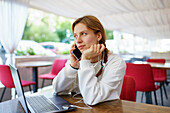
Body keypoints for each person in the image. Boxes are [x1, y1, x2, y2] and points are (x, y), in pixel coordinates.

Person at [52, 15, 126, 105]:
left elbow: (92, 98)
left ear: (98, 36)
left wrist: (85, 60)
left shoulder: (116, 62)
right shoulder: (77, 60)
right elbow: (57, 89)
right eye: (75, 36)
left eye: (83, 34)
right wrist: (73, 67)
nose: (78, 41)